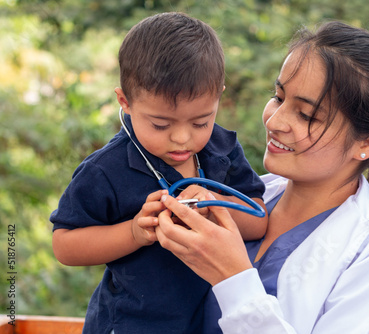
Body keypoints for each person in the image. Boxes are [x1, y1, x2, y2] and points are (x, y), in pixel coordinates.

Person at [155, 21, 369, 333]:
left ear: (368, 142)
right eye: (279, 97)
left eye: (307, 115)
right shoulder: (240, 197)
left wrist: (232, 278)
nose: (276, 121)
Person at [50, 12, 267, 334]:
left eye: (200, 122)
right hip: (133, 324)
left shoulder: (223, 149)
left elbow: (259, 219)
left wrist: (216, 206)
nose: (182, 138)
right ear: (125, 101)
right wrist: (134, 233)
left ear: (218, 96)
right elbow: (65, 246)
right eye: (160, 124)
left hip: (213, 321)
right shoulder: (105, 171)